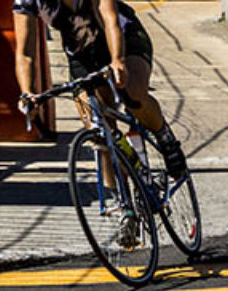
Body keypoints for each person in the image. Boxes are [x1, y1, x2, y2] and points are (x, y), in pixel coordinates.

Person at [13, 0, 186, 178]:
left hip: (124, 37)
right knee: (98, 129)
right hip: (82, 50)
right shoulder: (27, 2)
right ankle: (121, 198)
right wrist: (27, 93)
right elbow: (25, 53)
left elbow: (111, 20)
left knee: (134, 94)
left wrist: (118, 61)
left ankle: (165, 138)